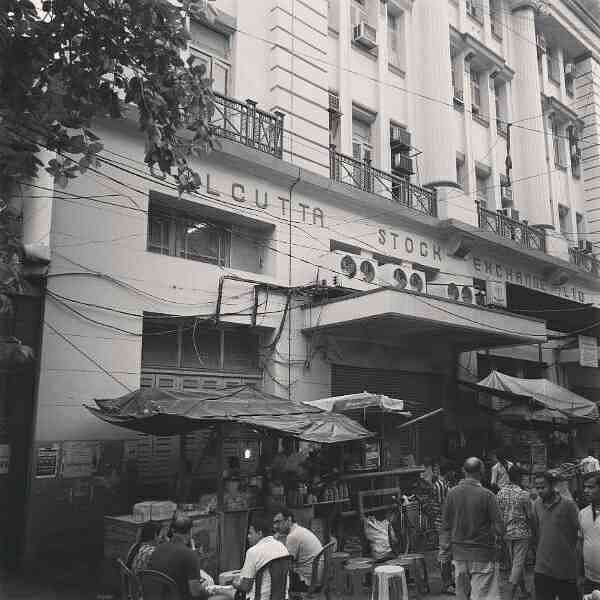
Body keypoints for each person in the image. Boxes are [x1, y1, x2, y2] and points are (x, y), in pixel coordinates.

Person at [439, 457, 503, 600]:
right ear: (482, 472)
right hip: (483, 554)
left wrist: (445, 550)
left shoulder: (452, 494)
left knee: (462, 594)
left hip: (459, 554)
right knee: (482, 596)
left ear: (463, 471)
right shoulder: (488, 496)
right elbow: (499, 528)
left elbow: (445, 526)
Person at [532, 471, 580, 600]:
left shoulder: (568, 505)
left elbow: (580, 532)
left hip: (565, 569)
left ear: (553, 485)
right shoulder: (536, 504)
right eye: (537, 488)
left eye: (543, 487)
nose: (540, 491)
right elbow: (537, 532)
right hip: (542, 569)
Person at [148, 515, 205, 600]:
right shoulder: (189, 554)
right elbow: (195, 592)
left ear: (172, 531)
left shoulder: (156, 550)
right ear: (190, 532)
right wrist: (209, 591)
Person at [497, 466, 532, 600]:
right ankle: (509, 595)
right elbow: (530, 516)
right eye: (525, 477)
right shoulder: (523, 494)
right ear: (520, 478)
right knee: (518, 564)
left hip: (507, 533)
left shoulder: (500, 493)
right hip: (522, 533)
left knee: (516, 564)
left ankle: (523, 591)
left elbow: (498, 515)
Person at [234, 514, 290, 600]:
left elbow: (245, 587)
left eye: (250, 533)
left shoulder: (253, 551)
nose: (248, 537)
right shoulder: (282, 547)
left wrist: (234, 583)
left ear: (260, 533)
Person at [272, 507, 322, 591]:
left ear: (289, 520)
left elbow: (286, 564)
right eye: (274, 523)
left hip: (308, 582)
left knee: (273, 575)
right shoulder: (300, 530)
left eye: (278, 522)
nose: (275, 526)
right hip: (316, 578)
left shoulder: (293, 536)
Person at [578, 472, 600, 595]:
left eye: (591, 487)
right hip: (589, 578)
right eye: (585, 487)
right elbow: (580, 544)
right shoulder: (582, 513)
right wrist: (580, 574)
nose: (586, 490)